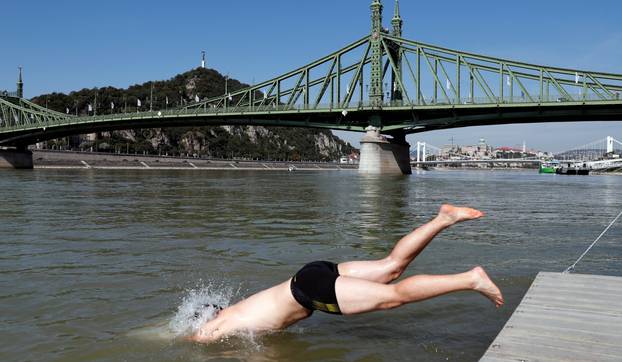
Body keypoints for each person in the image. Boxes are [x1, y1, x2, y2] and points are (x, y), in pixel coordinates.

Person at [190, 205, 504, 343]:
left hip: (310, 292)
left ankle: (470, 279)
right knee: (391, 266)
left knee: (392, 299)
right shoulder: (234, 310)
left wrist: (189, 338)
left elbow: (196, 339)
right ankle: (444, 218)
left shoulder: (214, 329)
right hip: (310, 274)